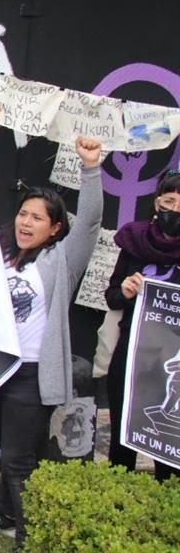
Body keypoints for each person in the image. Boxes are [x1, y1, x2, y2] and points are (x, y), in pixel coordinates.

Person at [0, 136, 103, 548]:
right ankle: (9, 515)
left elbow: (92, 222)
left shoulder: (61, 260)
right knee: (9, 451)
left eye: (37, 218)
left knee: (19, 461)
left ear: (55, 228)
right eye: (23, 214)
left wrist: (91, 168)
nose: (26, 222)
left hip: (31, 377)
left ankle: (29, 537)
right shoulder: (4, 256)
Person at [105, 171, 180, 481]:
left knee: (170, 443)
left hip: (174, 362)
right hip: (132, 357)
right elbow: (111, 297)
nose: (175, 210)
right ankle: (116, 509)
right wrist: (123, 291)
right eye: (169, 201)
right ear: (156, 204)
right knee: (123, 436)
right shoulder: (134, 241)